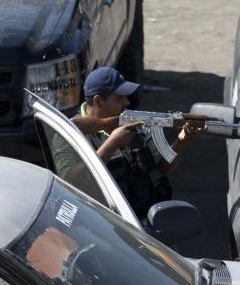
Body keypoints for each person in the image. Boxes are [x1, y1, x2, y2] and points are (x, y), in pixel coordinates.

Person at [69, 66, 205, 218]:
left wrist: (181, 141)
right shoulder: (70, 132)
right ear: (98, 101)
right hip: (100, 222)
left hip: (140, 218)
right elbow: (72, 182)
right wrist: (112, 144)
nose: (127, 102)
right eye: (119, 98)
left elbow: (161, 168)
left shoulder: (135, 123)